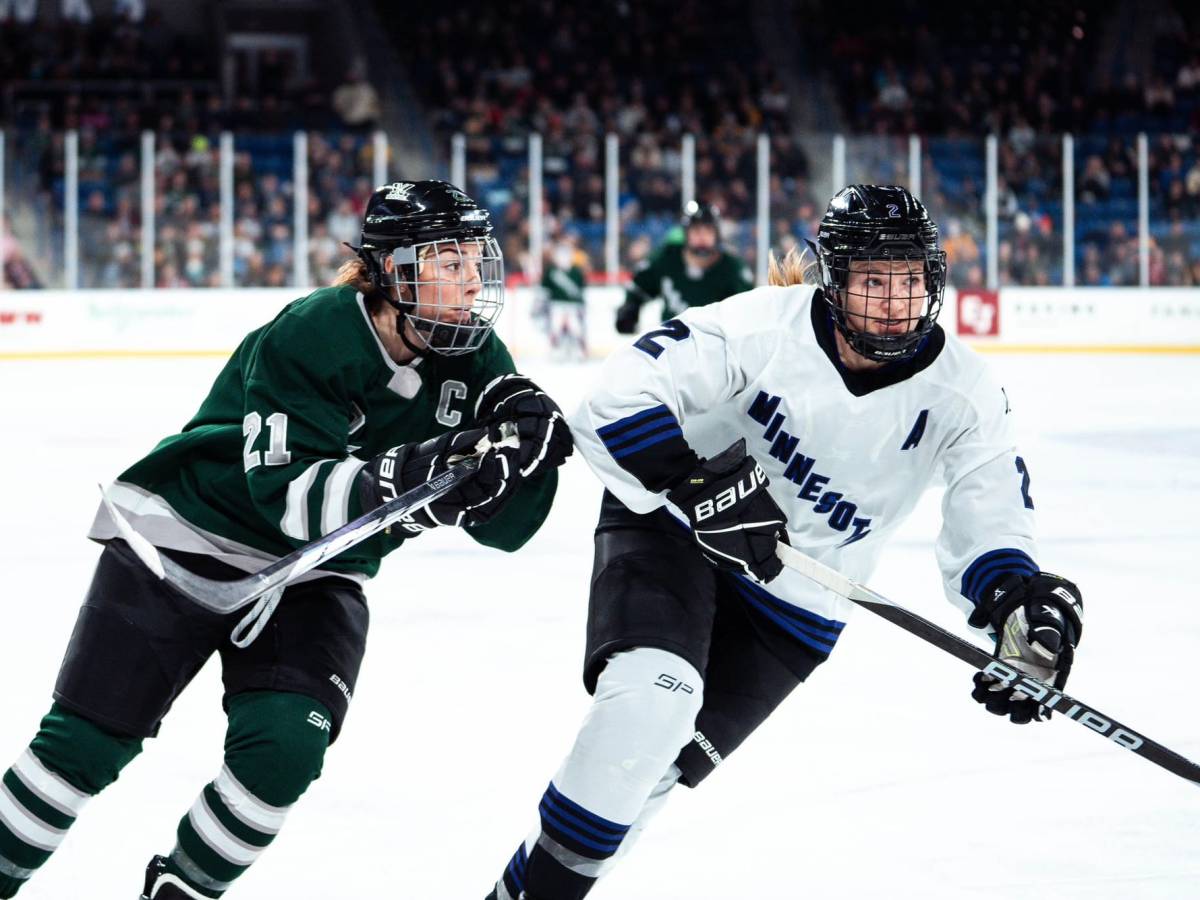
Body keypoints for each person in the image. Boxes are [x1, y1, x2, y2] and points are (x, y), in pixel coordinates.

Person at [487, 185, 1083, 900]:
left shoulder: (965, 393)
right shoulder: (763, 328)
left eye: (909, 280)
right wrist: (696, 488)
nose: (894, 300)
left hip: (801, 605)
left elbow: (988, 519)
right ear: (834, 281)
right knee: (651, 706)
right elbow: (617, 399)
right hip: (678, 534)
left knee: (649, 776)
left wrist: (1016, 609)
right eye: (871, 280)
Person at [0, 180, 573, 899]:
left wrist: (526, 464)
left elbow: (510, 535)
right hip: (183, 539)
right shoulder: (313, 332)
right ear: (394, 270)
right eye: (448, 260)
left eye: (475, 260)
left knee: (284, 752)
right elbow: (290, 499)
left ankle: (180, 891)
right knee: (82, 747)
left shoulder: (478, 357)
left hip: (313, 574)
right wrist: (411, 480)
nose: (472, 280)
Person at [614, 201, 754, 334]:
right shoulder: (667, 258)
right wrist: (630, 308)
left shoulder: (733, 269)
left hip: (715, 349)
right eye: (696, 231)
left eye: (708, 231)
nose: (702, 237)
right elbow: (639, 288)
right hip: (670, 345)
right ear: (686, 234)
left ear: (716, 235)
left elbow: (748, 311)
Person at [540, 240, 588, 361]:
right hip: (556, 305)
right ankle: (555, 350)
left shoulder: (577, 271)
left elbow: (581, 289)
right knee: (555, 328)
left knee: (576, 328)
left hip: (574, 306)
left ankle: (579, 350)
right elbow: (545, 290)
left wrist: (581, 305)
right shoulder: (551, 271)